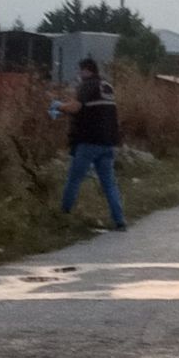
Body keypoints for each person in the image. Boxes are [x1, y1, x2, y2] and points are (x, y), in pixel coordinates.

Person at [50, 58, 126, 231]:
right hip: (108, 142)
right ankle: (119, 220)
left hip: (89, 141)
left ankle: (64, 215)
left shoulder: (87, 85)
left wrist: (59, 106)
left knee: (74, 179)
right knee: (109, 183)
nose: (79, 75)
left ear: (86, 70)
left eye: (80, 71)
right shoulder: (107, 87)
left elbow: (76, 108)